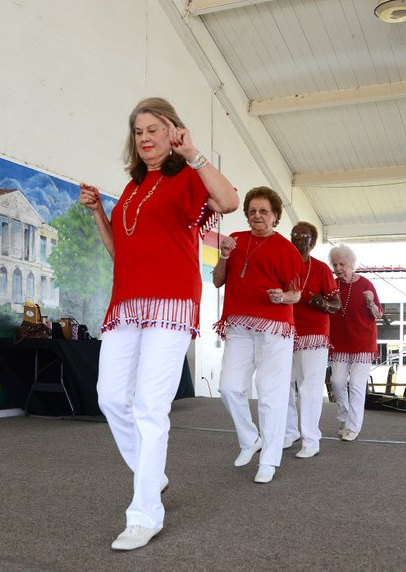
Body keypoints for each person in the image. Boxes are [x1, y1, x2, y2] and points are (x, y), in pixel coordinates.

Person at [79, 97, 238, 551]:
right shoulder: (131, 188)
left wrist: (195, 155)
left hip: (171, 303)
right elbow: (118, 252)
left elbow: (228, 200)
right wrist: (96, 212)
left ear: (173, 132)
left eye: (154, 129)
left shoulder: (188, 176)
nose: (145, 138)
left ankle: (145, 512)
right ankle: (154, 474)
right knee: (110, 397)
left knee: (150, 405)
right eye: (139, 132)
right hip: (126, 305)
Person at [213, 186, 303, 484]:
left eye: (264, 211)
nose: (257, 216)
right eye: (252, 211)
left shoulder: (287, 250)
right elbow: (217, 281)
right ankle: (251, 439)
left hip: (275, 329)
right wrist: (224, 256)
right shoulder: (235, 241)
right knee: (228, 387)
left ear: (275, 216)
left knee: (270, 395)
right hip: (238, 326)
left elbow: (296, 294)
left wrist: (282, 297)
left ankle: (269, 460)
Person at [283, 222, 340, 459]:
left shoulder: (322, 270)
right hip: (285, 332)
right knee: (283, 385)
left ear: (312, 243)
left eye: (302, 237)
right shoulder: (283, 264)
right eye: (294, 237)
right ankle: (289, 431)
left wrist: (323, 303)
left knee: (309, 388)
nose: (297, 241)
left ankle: (311, 438)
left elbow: (336, 305)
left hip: (314, 334)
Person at [328, 244, 383, 442]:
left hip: (363, 343)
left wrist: (370, 303)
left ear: (351, 264)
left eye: (342, 263)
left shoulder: (366, 284)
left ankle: (353, 426)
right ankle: (344, 415)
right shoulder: (331, 284)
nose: (338, 268)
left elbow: (378, 314)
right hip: (339, 342)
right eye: (335, 264)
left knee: (357, 385)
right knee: (337, 382)